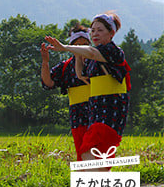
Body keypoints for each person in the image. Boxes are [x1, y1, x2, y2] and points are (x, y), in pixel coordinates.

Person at [45, 11, 130, 171]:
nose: (95, 34)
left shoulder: (113, 51)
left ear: (111, 33)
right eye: (93, 30)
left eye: (100, 30)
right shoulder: (93, 59)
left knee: (89, 154)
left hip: (111, 111)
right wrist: (77, 54)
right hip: (97, 111)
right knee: (92, 158)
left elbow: (91, 52)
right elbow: (80, 74)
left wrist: (65, 47)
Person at [40, 25, 91, 161]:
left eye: (85, 45)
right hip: (78, 117)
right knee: (82, 155)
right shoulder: (66, 67)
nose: (81, 49)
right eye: (77, 45)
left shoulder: (98, 63)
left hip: (98, 115)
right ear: (71, 46)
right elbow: (48, 83)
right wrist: (45, 62)